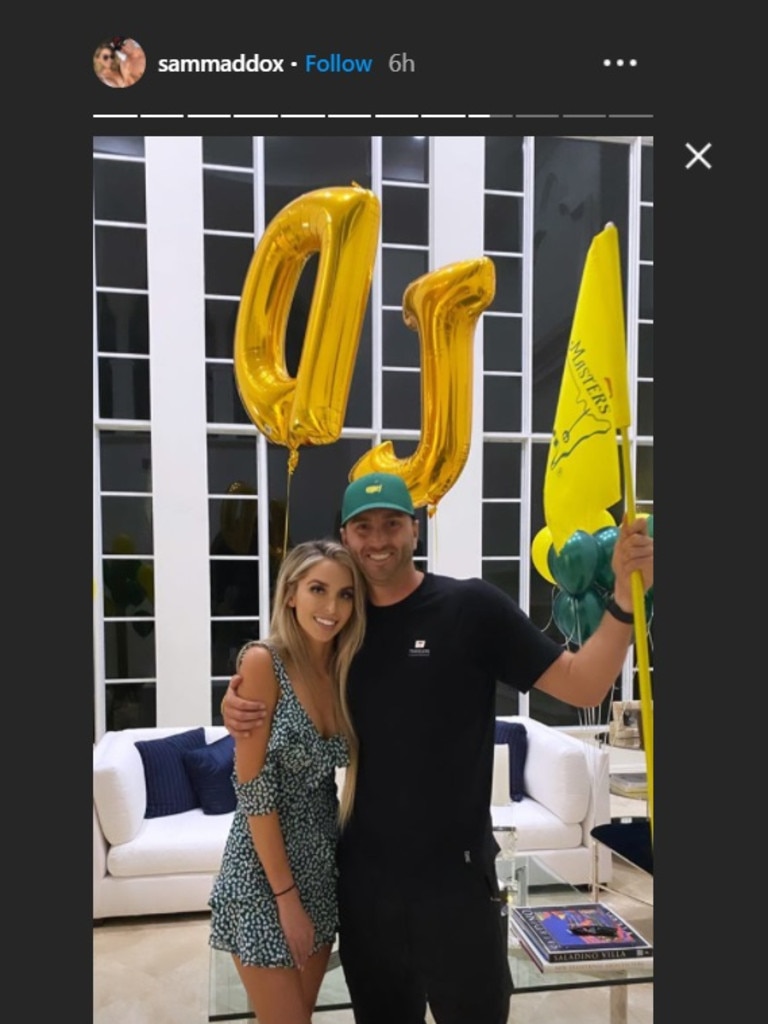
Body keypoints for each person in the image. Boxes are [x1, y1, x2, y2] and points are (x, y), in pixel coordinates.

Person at [221, 472, 654, 1024]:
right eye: (363, 527)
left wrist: (620, 601)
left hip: (459, 885)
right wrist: (236, 704)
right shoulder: (341, 629)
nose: (378, 539)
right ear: (346, 537)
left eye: (392, 524)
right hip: (364, 889)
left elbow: (583, 685)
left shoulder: (470, 607)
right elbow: (283, 679)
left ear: (415, 529)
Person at [209, 539, 367, 1024]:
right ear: (291, 593)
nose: (331, 608)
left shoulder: (346, 666)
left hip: (320, 868)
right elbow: (253, 792)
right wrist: (286, 900)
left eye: (345, 595)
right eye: (318, 589)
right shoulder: (263, 662)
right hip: (263, 875)